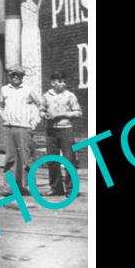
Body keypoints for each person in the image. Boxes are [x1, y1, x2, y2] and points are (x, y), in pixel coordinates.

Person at [0, 66, 44, 196]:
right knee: (10, 158)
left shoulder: (28, 90)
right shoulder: (4, 90)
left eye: (18, 75)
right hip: (9, 127)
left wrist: (34, 122)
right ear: (9, 76)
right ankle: (9, 187)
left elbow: (40, 105)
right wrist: (5, 117)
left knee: (26, 158)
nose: (15, 77)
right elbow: (0, 105)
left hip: (24, 127)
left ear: (22, 77)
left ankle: (27, 187)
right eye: (13, 75)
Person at [42, 69, 83, 197]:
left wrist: (62, 114)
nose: (63, 84)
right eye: (60, 81)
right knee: (52, 160)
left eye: (64, 82)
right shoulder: (46, 96)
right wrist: (44, 115)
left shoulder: (70, 95)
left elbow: (78, 112)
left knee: (69, 159)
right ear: (53, 82)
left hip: (66, 130)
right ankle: (56, 188)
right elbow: (41, 110)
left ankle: (71, 190)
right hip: (51, 131)